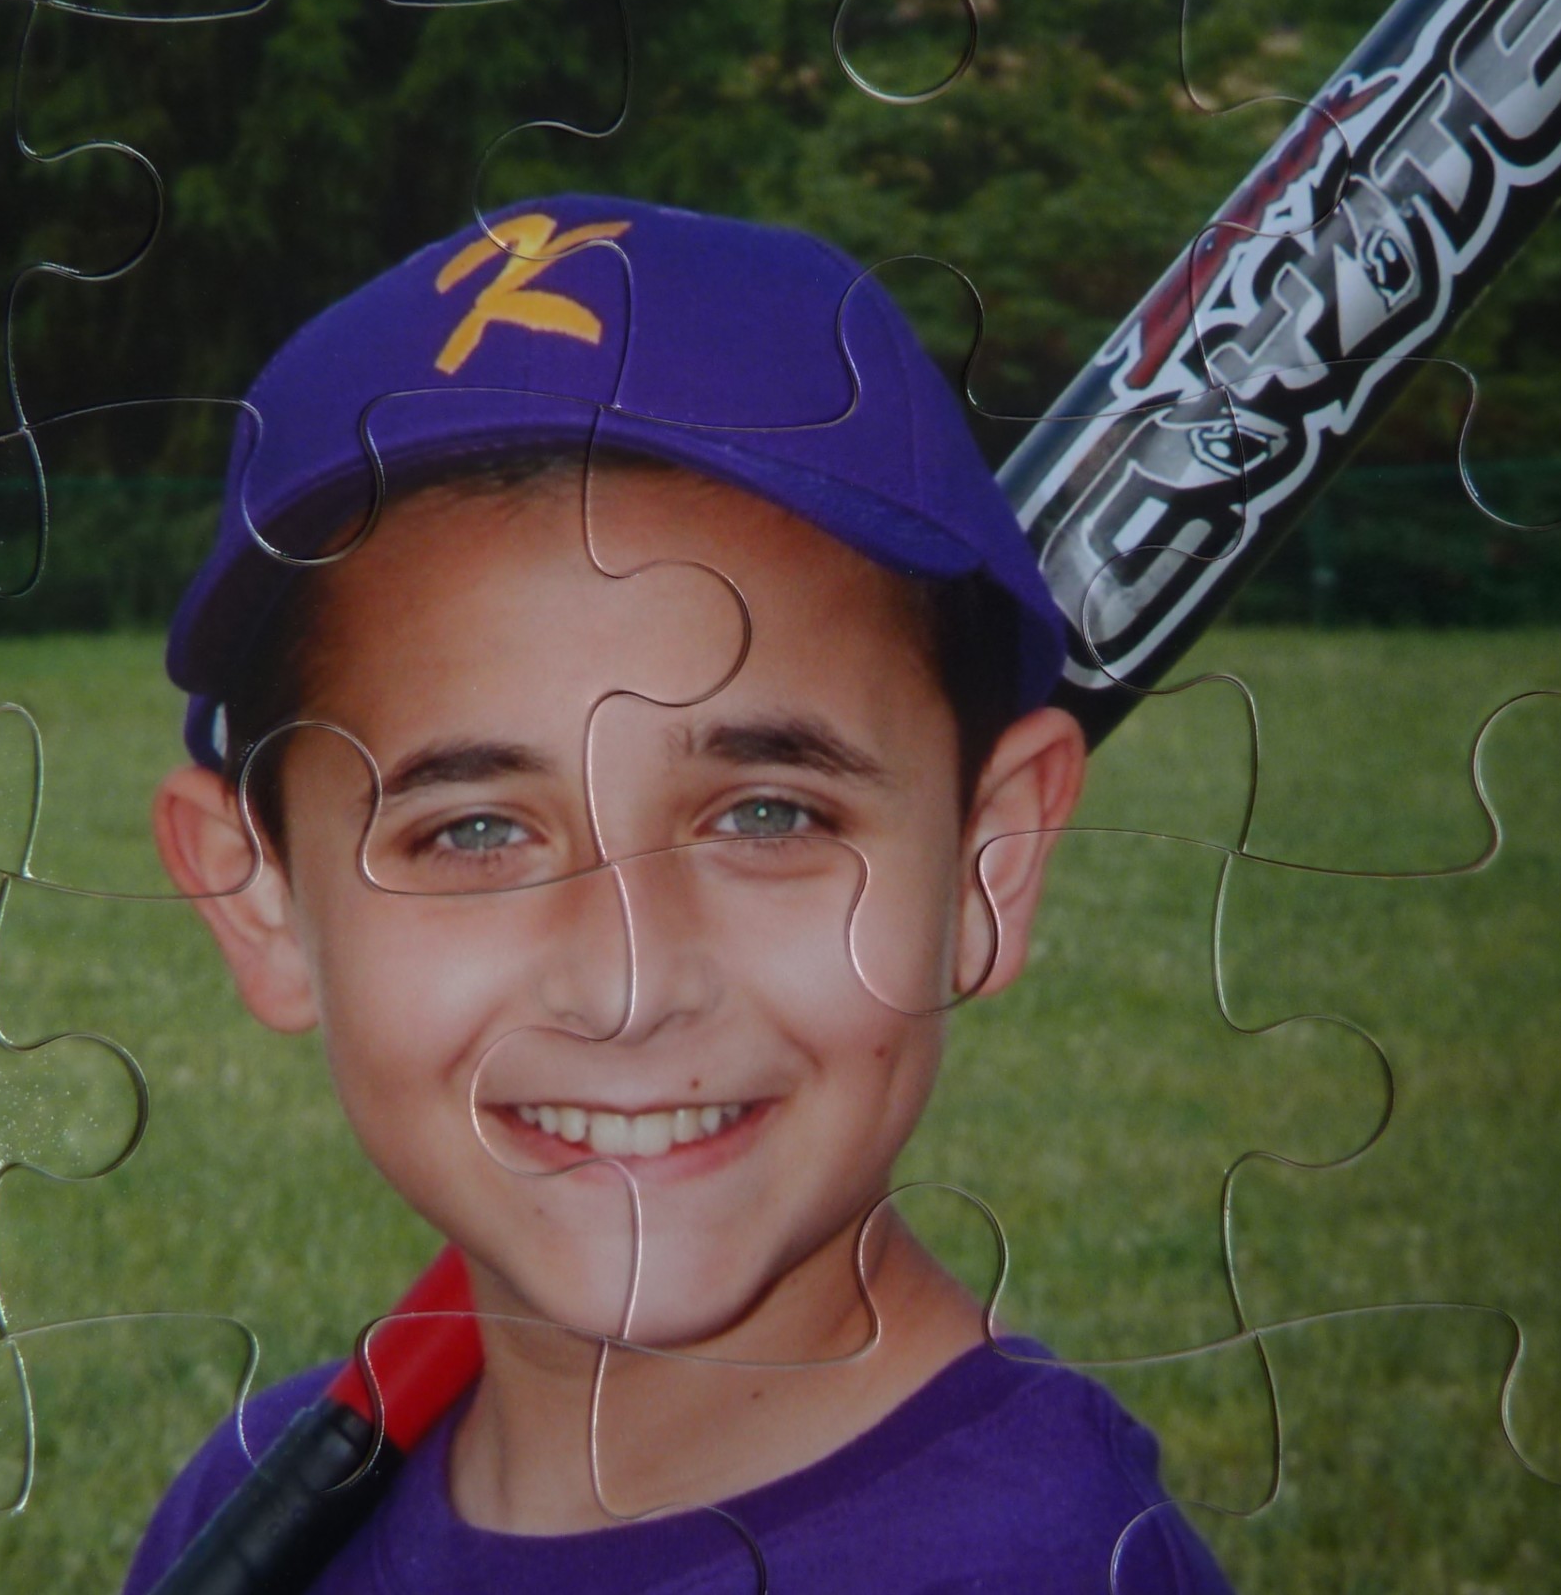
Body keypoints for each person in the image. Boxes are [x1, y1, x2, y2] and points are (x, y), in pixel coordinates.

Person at [130, 195, 1234, 1593]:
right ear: (260, 900)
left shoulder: (1047, 1568)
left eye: (769, 815)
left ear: (989, 859)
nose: (631, 982)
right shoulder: (258, 1502)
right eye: (472, 832)